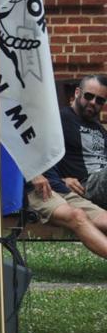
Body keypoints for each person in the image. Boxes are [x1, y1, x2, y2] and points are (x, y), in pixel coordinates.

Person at [29, 75, 107, 258]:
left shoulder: (99, 129)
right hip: (84, 184)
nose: (93, 102)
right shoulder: (58, 120)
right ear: (77, 93)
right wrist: (63, 179)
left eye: (100, 100)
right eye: (89, 96)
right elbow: (42, 155)